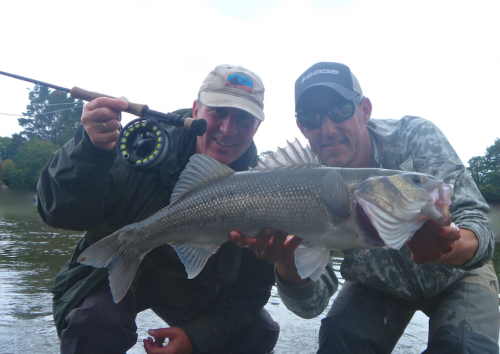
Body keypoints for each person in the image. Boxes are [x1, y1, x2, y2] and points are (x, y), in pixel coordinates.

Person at [232, 62, 499, 353]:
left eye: (340, 110)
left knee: (465, 347)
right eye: (312, 118)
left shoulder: (414, 137)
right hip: (377, 285)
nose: (329, 129)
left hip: (460, 276)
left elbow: (479, 228)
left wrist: (451, 247)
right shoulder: (302, 187)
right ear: (301, 126)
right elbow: (312, 304)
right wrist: (285, 261)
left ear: (365, 110)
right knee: (339, 340)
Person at [37, 64, 280, 354]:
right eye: (219, 112)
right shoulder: (140, 145)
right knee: (95, 322)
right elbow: (59, 213)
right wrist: (89, 151)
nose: (229, 129)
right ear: (196, 110)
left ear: (257, 126)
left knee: (258, 331)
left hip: (195, 287)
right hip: (117, 268)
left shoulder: (270, 189)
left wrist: (196, 338)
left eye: (243, 118)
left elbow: (251, 291)